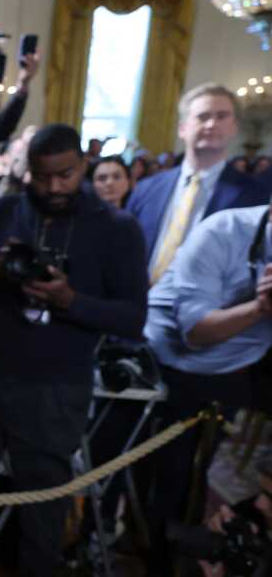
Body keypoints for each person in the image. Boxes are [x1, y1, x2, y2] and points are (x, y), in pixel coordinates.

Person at [0, 124, 147, 577]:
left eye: (65, 175)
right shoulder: (7, 210)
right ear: (29, 170)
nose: (53, 187)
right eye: (43, 176)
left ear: (83, 164)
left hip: (58, 386)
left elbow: (132, 318)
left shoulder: (117, 229)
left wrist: (71, 301)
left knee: (43, 511)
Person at [143, 196, 272, 574]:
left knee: (193, 482)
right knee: (149, 476)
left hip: (233, 370)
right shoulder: (224, 230)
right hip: (164, 361)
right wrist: (261, 308)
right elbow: (196, 332)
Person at [126, 83, 271, 284]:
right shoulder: (146, 188)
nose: (211, 124)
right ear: (183, 128)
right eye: (202, 116)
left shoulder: (256, 196)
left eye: (221, 116)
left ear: (235, 128)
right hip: (138, 303)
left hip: (214, 308)